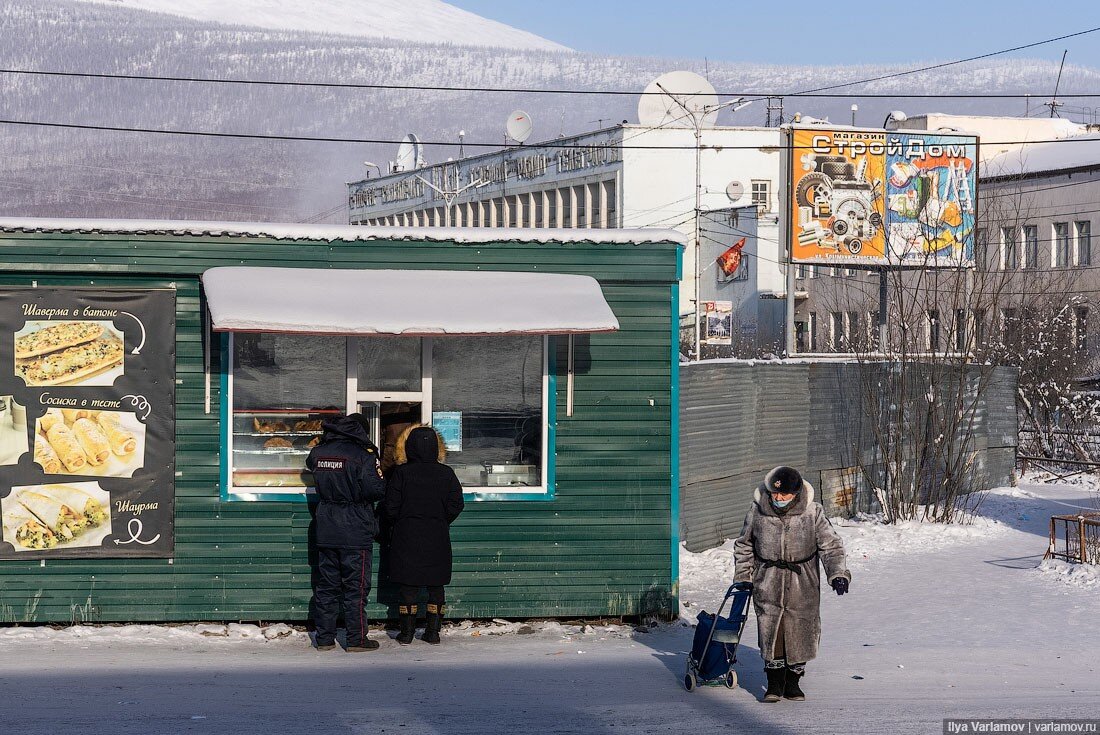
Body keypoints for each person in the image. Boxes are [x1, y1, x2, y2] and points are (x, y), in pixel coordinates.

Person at [733, 466, 851, 703]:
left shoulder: (813, 512)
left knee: (800, 632)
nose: (778, 498)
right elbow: (744, 546)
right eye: (775, 494)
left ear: (796, 493)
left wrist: (838, 573)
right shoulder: (757, 511)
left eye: (784, 495)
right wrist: (744, 577)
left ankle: (793, 683)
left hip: (803, 583)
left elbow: (831, 546)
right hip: (768, 581)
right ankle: (774, 684)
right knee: (772, 633)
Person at [306, 413, 386, 652]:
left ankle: (325, 638)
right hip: (355, 528)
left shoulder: (319, 453)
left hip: (326, 526)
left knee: (326, 586)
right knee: (356, 587)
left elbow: (311, 464)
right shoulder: (363, 456)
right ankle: (356, 639)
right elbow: (376, 490)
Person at [382, 424, 464, 645]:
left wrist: (400, 522)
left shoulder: (401, 473)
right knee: (436, 586)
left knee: (408, 587)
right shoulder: (446, 474)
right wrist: (441, 520)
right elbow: (457, 504)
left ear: (409, 447)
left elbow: (390, 507)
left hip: (406, 536)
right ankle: (433, 632)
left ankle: (406, 633)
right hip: (437, 536)